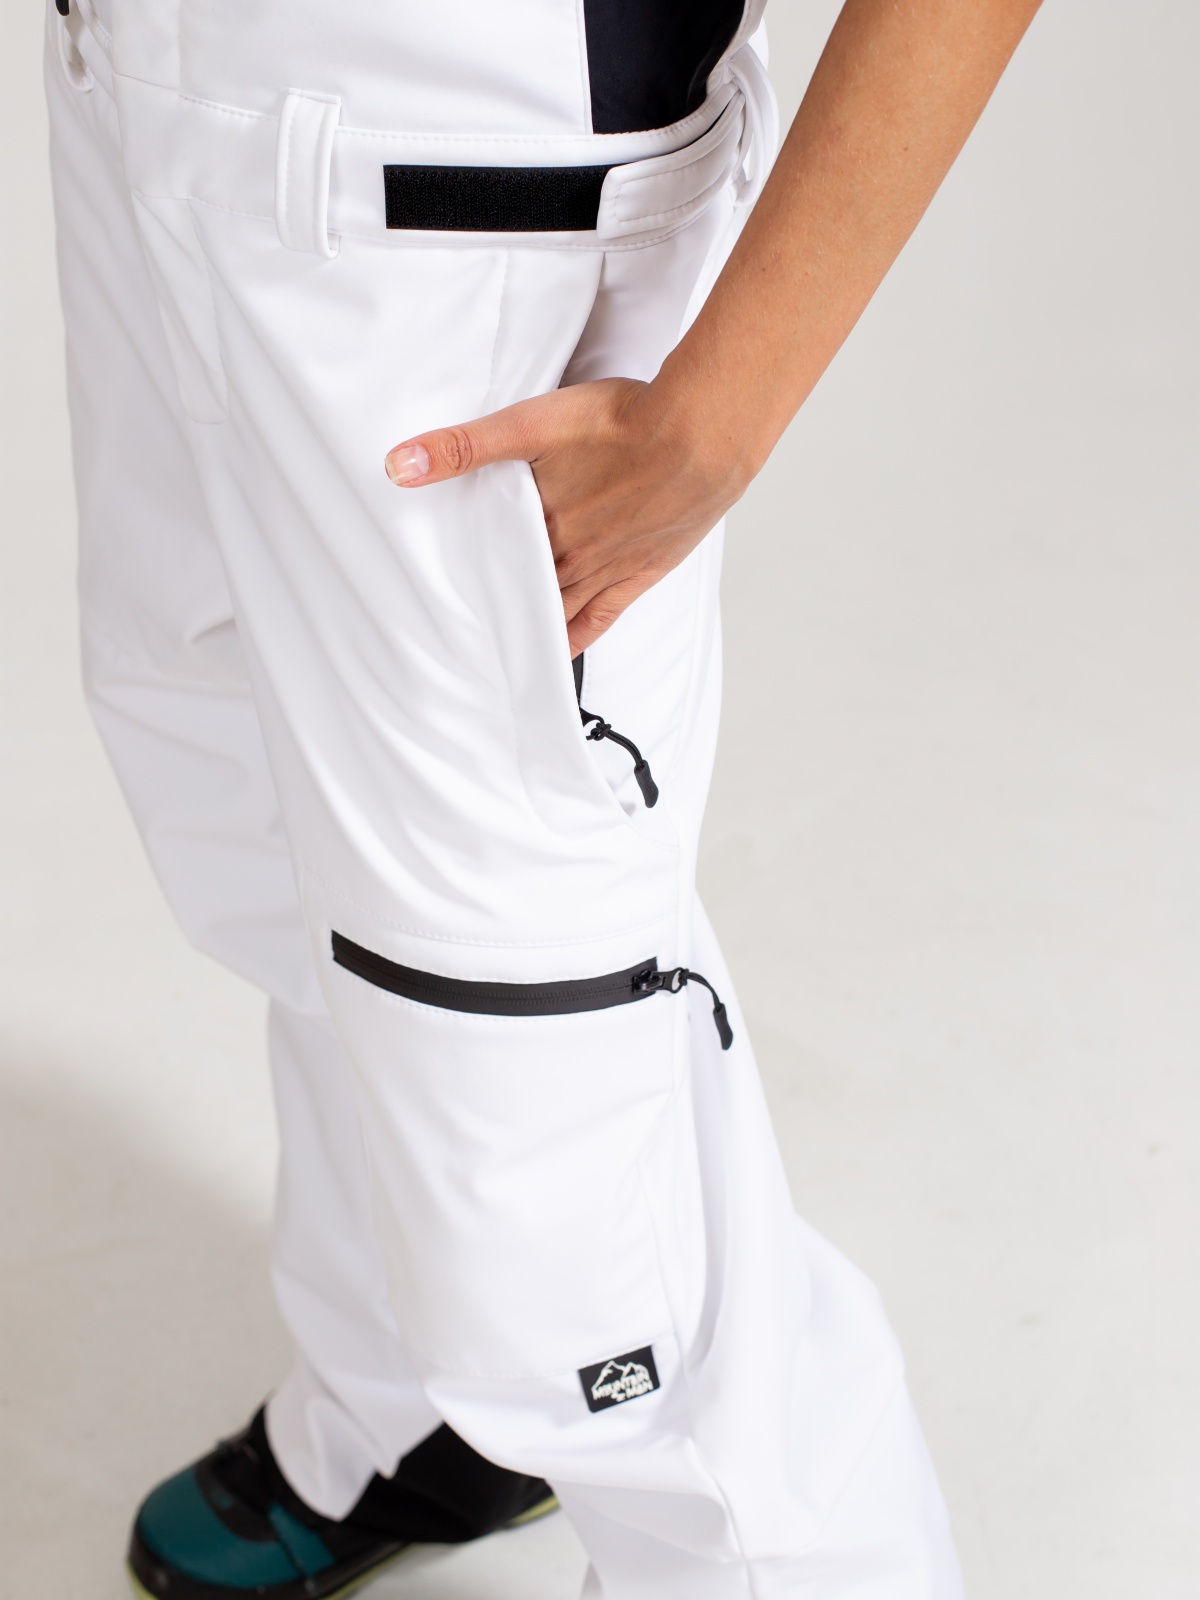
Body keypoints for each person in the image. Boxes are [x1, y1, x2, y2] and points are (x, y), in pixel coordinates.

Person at [44, 0, 1041, 1595]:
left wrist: (727, 399)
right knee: (257, 820)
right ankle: (426, 1408)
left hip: (470, 190)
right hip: (151, 91)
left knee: (531, 1074)